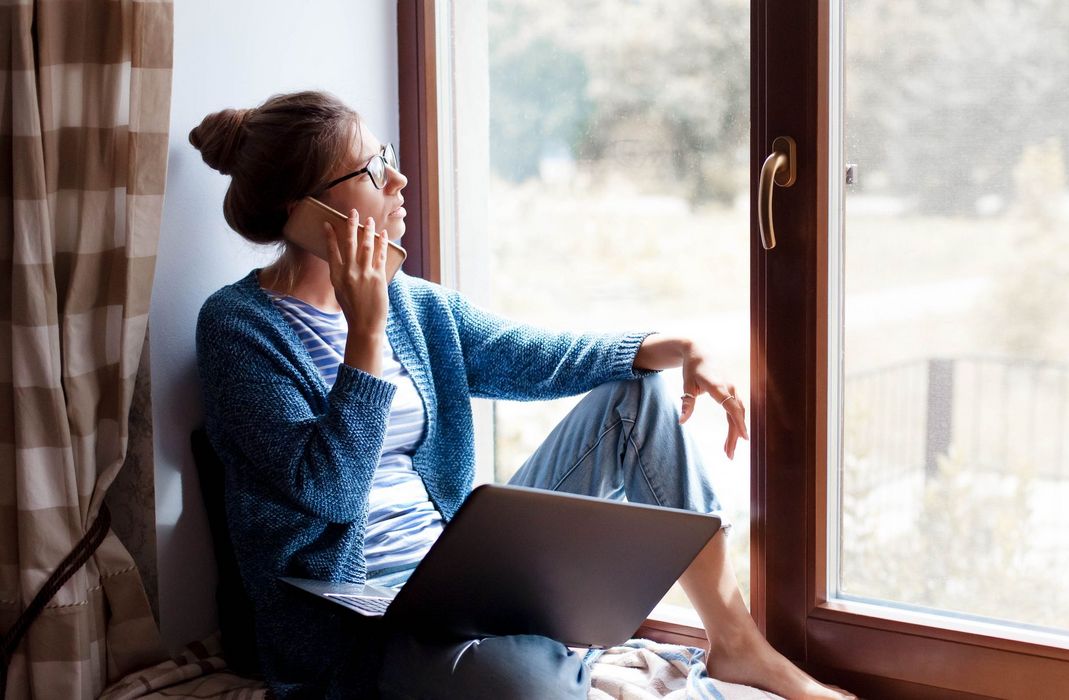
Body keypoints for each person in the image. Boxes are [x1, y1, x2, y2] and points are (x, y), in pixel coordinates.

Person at [191, 91, 853, 700]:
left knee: (636, 396)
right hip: (363, 633)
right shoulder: (238, 329)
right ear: (302, 210)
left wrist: (671, 345)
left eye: (387, 158)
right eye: (370, 173)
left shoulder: (416, 308)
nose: (398, 181)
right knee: (524, 685)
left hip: (460, 580)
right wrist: (363, 334)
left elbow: (536, 356)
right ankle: (544, 657)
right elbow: (329, 492)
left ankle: (737, 645)